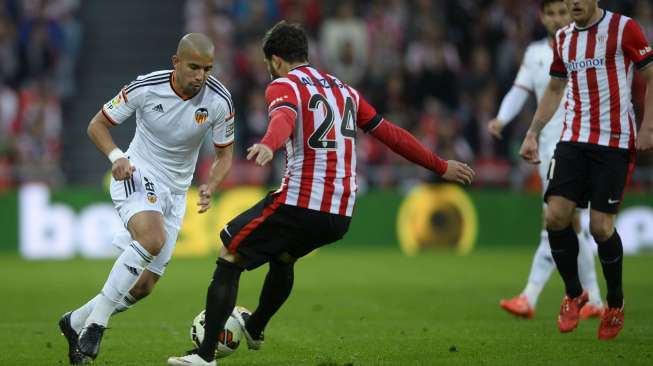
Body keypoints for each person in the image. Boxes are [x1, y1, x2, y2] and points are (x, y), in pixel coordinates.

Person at [167, 21, 475, 366]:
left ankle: (205, 356)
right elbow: (389, 133)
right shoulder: (345, 90)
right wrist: (439, 165)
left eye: (268, 64)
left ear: (276, 60)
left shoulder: (284, 85)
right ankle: (255, 327)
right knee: (284, 257)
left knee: (230, 254)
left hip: (301, 200)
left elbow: (283, 118)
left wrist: (269, 144)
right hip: (341, 212)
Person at [58, 33, 235, 363]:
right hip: (138, 174)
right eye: (194, 67)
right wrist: (116, 158)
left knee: (143, 287)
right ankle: (96, 324)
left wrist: (211, 184)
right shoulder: (145, 87)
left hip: (177, 193)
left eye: (208, 68)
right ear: (176, 62)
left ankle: (74, 321)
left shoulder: (219, 101)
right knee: (152, 239)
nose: (201, 75)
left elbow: (225, 155)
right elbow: (96, 125)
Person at [519, 0, 653, 340]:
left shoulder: (625, 29)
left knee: (600, 228)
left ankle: (615, 302)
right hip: (573, 140)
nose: (574, 3)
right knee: (555, 217)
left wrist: (648, 126)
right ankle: (575, 292)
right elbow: (554, 87)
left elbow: (651, 75)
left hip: (614, 143)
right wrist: (533, 132)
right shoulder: (564, 38)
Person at [488, 0, 603, 319]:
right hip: (550, 146)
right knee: (568, 223)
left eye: (562, 13)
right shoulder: (536, 53)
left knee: (558, 222)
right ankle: (593, 298)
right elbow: (519, 90)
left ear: (573, 13)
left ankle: (532, 296)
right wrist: (501, 118)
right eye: (550, 13)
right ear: (542, 17)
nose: (556, 19)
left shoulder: (589, 47)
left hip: (581, 144)